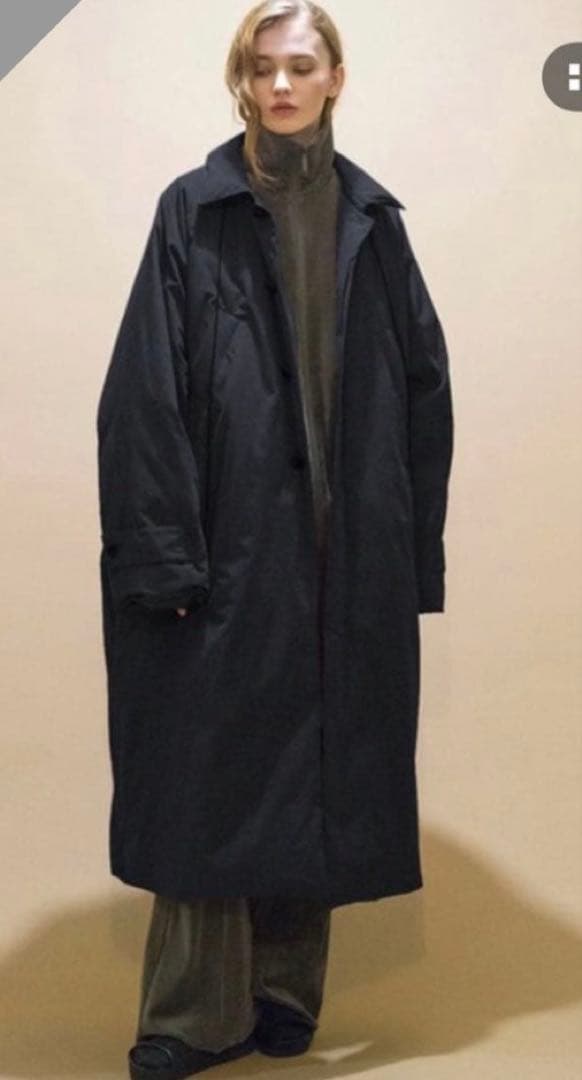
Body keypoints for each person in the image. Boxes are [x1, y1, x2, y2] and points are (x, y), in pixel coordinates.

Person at [96, 3, 454, 1078]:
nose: (282, 85)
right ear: (242, 83)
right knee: (211, 778)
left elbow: (424, 392)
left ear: (336, 77)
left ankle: (283, 993)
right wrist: (164, 554)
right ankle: (189, 1018)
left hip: (347, 550)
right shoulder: (194, 210)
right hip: (228, 547)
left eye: (302, 65)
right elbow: (144, 394)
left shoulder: (374, 223)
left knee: (321, 763)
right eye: (264, 68)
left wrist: (409, 556)